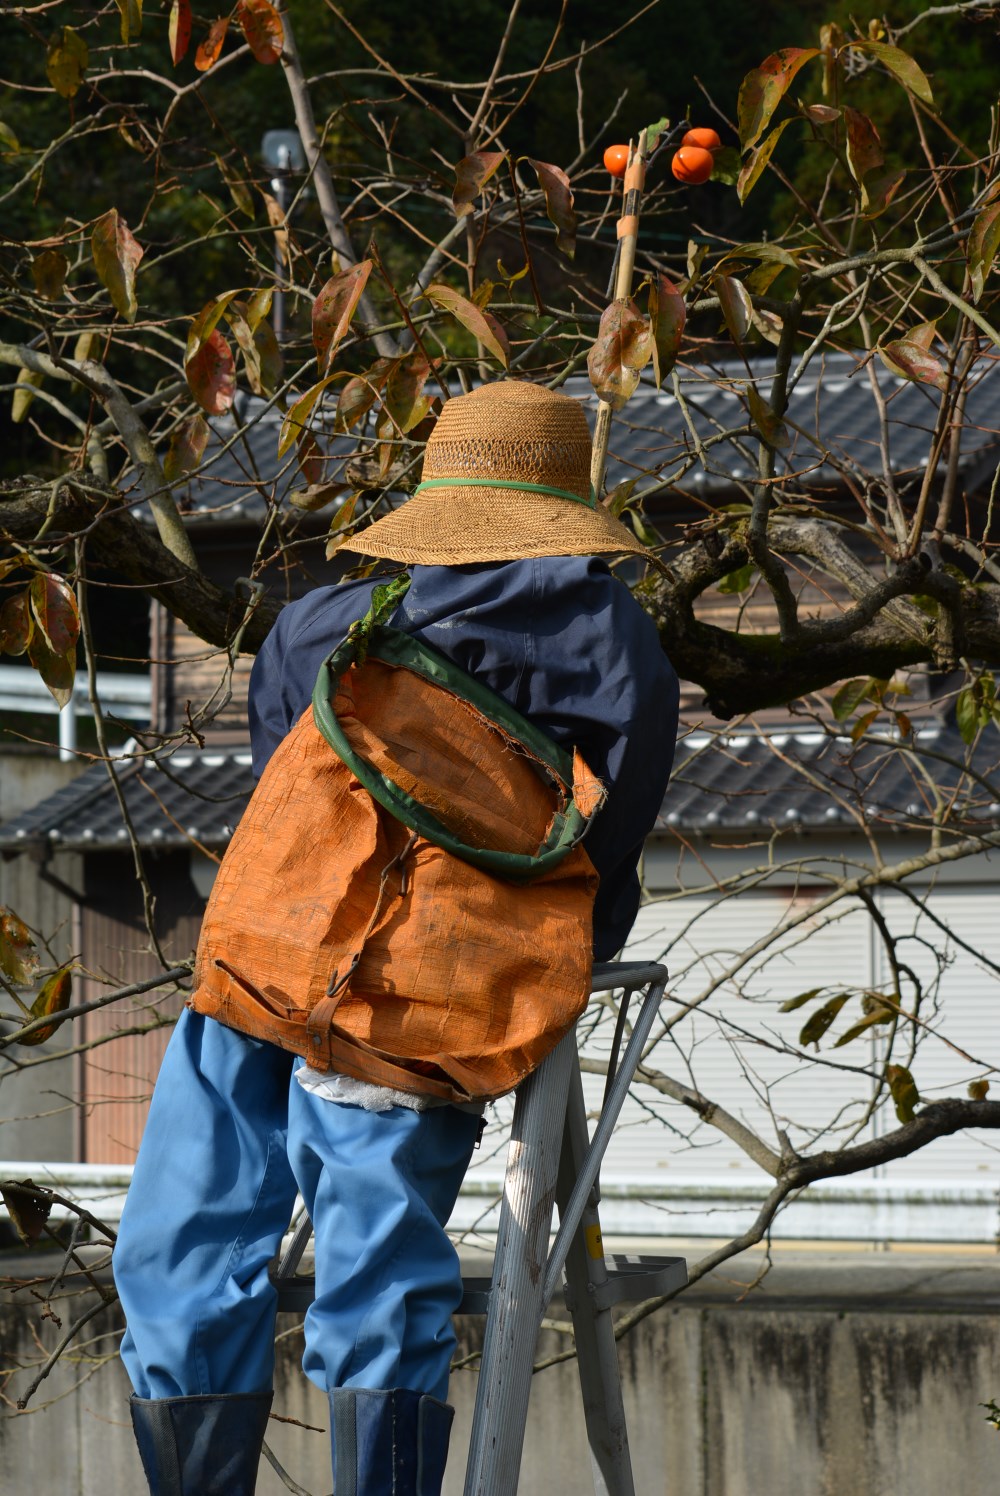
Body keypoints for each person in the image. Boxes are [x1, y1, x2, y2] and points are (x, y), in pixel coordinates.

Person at [113, 379, 679, 1495]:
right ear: (567, 505)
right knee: (375, 1277)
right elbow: (602, 852)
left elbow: (279, 795)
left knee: (179, 1247)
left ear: (439, 506)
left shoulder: (324, 624)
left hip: (262, 965)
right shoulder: (619, 651)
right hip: (425, 1003)